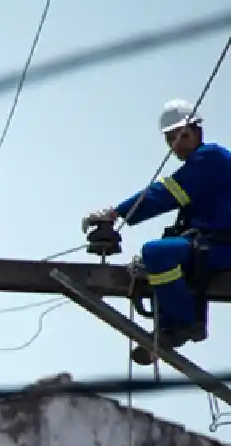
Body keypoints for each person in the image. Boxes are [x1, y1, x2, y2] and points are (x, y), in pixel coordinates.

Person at [82, 100, 231, 365]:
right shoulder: (202, 163)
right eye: (170, 139)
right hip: (210, 244)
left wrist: (116, 213)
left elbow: (167, 193)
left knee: (158, 253)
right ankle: (167, 328)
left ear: (196, 131)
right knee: (160, 255)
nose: (175, 144)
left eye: (181, 136)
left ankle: (182, 324)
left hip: (222, 245)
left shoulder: (212, 158)